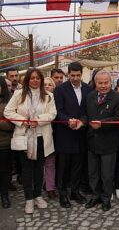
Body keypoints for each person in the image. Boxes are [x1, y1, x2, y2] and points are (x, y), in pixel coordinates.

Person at [4, 68, 57, 214]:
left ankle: (38, 195)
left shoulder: (48, 96)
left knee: (39, 169)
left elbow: (52, 114)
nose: (35, 80)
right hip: (24, 137)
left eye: (38, 78)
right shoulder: (18, 94)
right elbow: (8, 111)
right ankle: (28, 199)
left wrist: (38, 120)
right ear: (27, 79)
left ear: (41, 79)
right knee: (27, 170)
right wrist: (23, 121)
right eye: (32, 78)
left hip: (41, 137)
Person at [85, 70, 119, 211]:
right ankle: (95, 196)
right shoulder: (90, 96)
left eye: (106, 82)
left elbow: (118, 118)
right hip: (92, 142)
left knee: (107, 174)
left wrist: (102, 123)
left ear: (111, 82)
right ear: (95, 83)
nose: (103, 86)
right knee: (92, 173)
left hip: (109, 142)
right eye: (100, 83)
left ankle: (106, 198)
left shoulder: (118, 98)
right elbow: (86, 115)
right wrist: (81, 121)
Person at [54, 62, 92, 208]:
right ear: (68, 74)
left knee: (77, 166)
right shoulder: (60, 90)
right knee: (63, 167)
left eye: (78, 75)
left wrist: (82, 121)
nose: (75, 78)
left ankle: (75, 192)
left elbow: (89, 111)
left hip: (81, 134)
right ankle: (63, 193)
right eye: (72, 75)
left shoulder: (88, 89)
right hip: (65, 134)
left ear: (81, 74)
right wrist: (67, 120)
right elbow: (58, 110)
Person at [0, 77, 14, 209]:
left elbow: (11, 125)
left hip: (4, 144)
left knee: (5, 171)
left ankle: (4, 195)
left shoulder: (9, 102)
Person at [43, 77, 57, 199]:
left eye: (49, 85)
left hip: (54, 136)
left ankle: (50, 187)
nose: (47, 86)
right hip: (39, 133)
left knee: (50, 163)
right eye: (45, 84)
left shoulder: (56, 100)